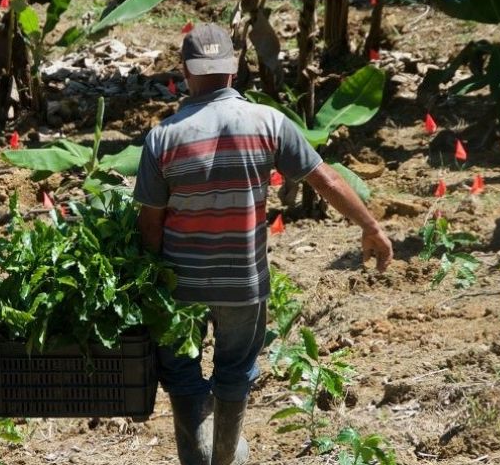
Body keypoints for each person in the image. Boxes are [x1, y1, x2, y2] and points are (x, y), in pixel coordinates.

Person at [134, 24, 393, 465]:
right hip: (244, 283)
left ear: (186, 71)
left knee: (181, 372)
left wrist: (148, 280)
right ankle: (225, 455)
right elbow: (326, 181)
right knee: (234, 372)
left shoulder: (164, 137)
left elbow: (151, 224)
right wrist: (371, 226)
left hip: (181, 285)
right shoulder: (269, 122)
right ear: (234, 69)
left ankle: (200, 457)